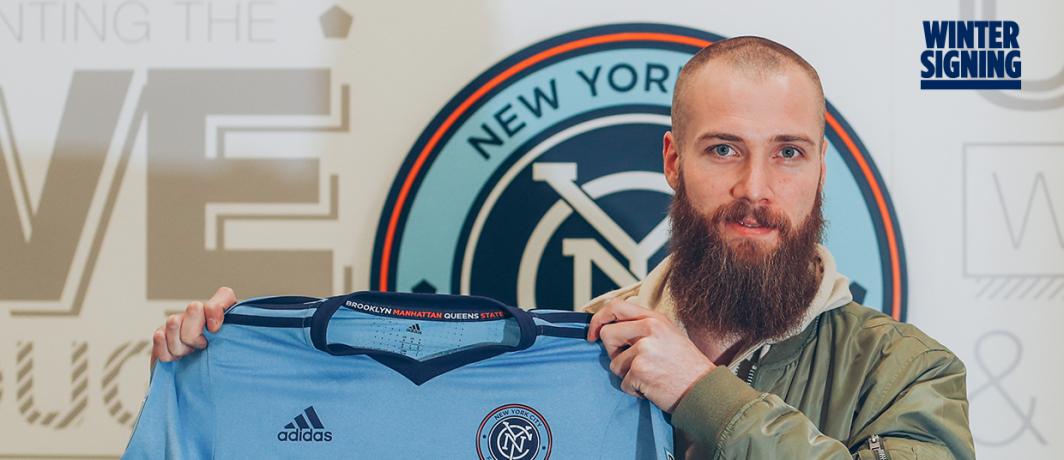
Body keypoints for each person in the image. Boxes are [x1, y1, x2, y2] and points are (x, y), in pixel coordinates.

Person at [151, 36, 975, 459]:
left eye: (788, 152)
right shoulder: (572, 353)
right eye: (723, 149)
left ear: (821, 169)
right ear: (673, 161)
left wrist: (700, 393)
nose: (755, 187)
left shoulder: (907, 371)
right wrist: (224, 369)